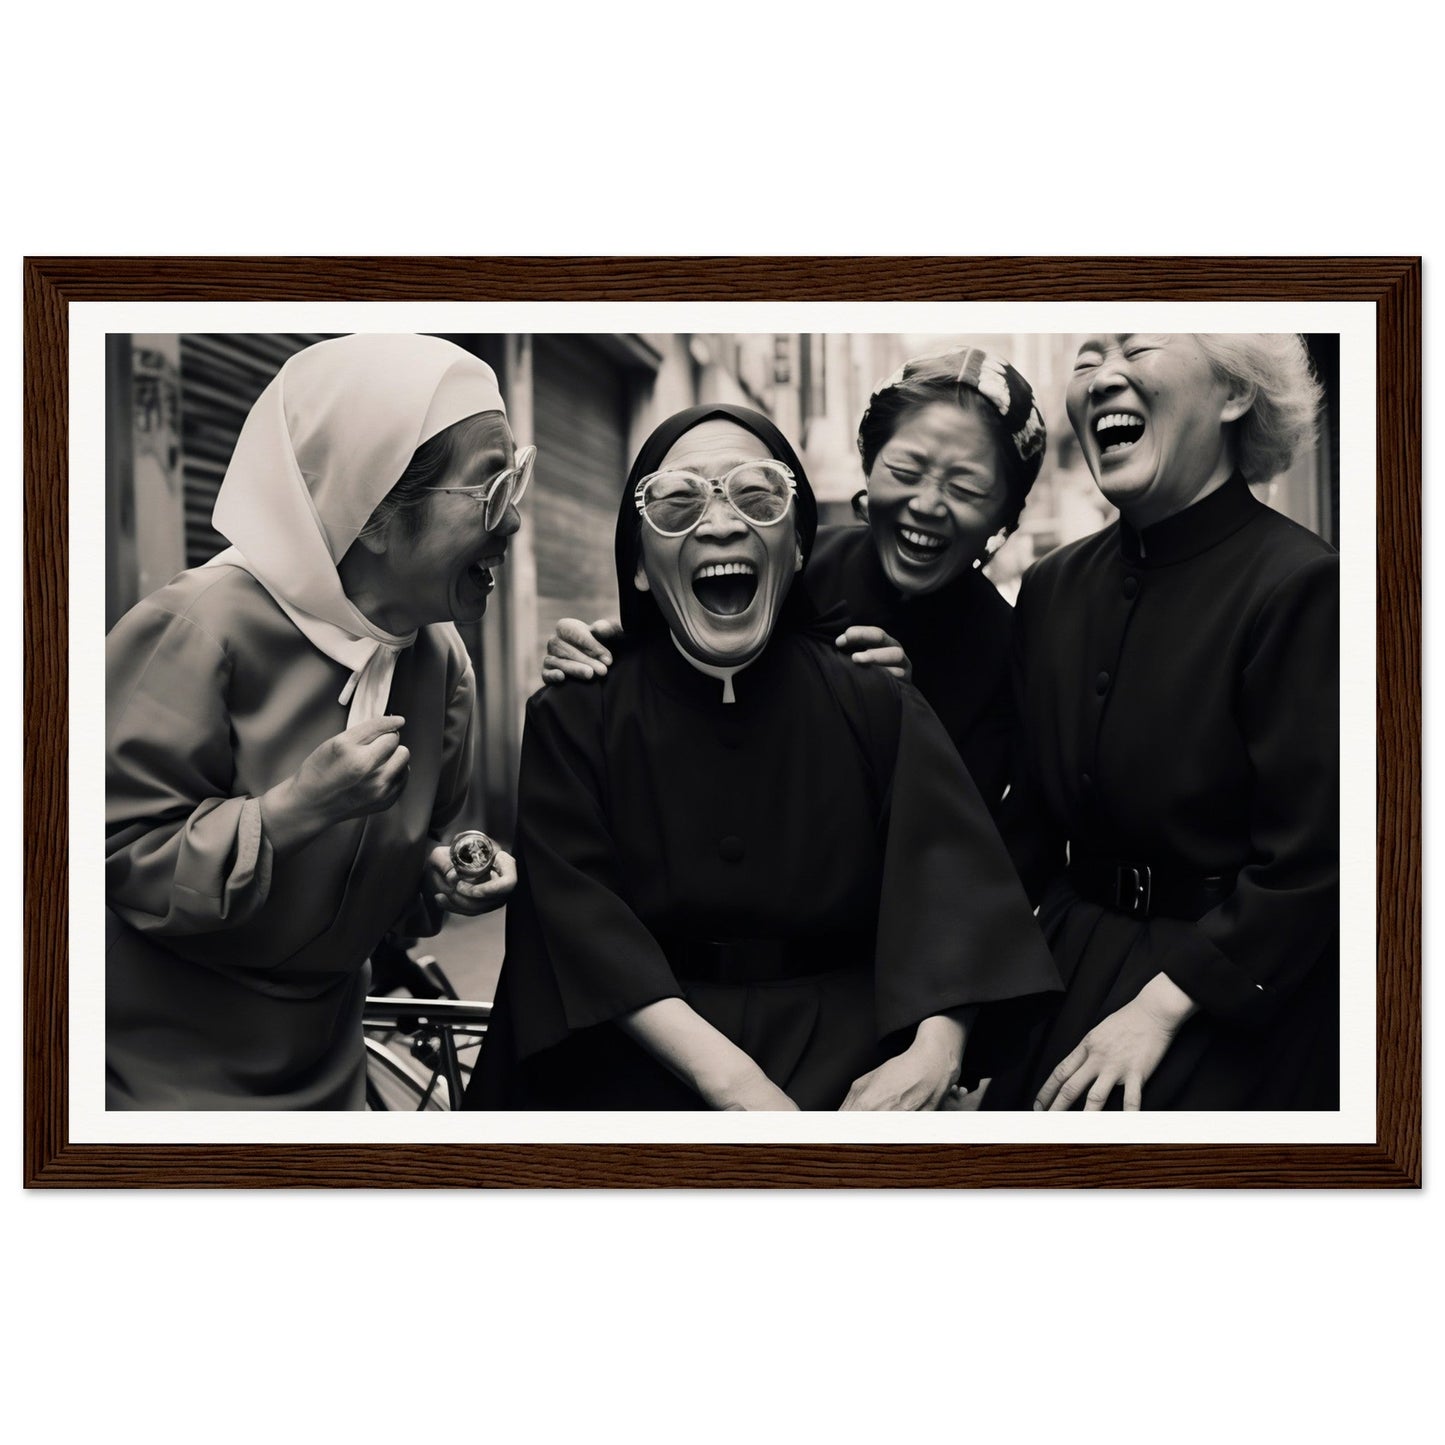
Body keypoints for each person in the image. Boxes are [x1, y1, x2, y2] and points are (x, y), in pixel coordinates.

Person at [466, 404, 1059, 1111]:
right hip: (628, 1061)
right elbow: (577, 923)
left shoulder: (879, 701)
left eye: (756, 496)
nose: (720, 524)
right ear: (640, 567)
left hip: (845, 1071)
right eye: (678, 502)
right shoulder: (574, 714)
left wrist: (935, 1050)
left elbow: (955, 895)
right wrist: (736, 1082)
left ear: (798, 545)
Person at [106, 333, 522, 1109]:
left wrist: (433, 869)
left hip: (330, 1068)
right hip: (149, 1074)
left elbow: (400, 871)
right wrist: (296, 811)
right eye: (490, 491)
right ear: (372, 511)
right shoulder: (195, 628)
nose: (516, 523)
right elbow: (108, 858)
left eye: (516, 484)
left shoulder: (442, 664)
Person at [986, 333, 1338, 1111]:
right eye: (1085, 358)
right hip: (1068, 960)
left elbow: (1316, 856)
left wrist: (1160, 1006)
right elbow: (1026, 833)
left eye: (1136, 348)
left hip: (1231, 990)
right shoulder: (1049, 588)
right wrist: (956, 1023)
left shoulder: (1302, 584)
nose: (1102, 376)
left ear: (1235, 394)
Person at [540, 347, 1046, 811]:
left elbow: (968, 835)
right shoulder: (785, 564)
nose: (927, 505)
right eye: (906, 471)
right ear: (868, 467)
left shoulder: (1008, 648)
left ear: (1006, 514)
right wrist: (612, 648)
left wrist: (902, 720)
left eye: (965, 487)